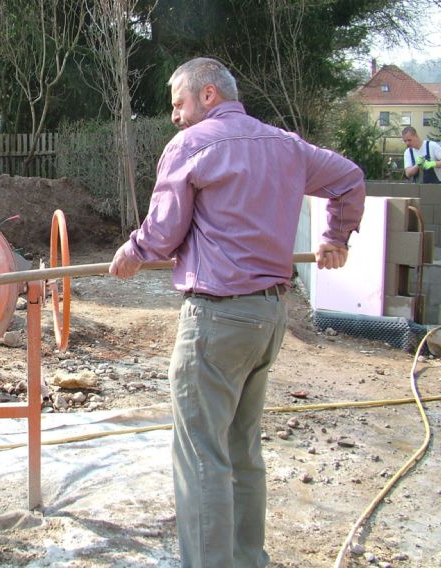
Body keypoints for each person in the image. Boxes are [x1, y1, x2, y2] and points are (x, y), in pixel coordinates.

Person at [108, 57, 365, 568]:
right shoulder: (286, 145)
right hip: (268, 319)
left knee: (202, 455)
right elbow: (349, 178)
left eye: (179, 103)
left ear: (208, 95)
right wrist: (335, 237)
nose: (175, 116)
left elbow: (163, 233)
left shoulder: (192, 145)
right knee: (241, 450)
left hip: (216, 321)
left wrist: (133, 252)